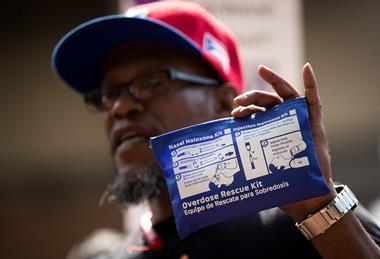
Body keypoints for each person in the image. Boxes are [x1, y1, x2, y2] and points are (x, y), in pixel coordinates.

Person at [52, 1, 380, 258]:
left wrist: (319, 212)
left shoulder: (303, 223)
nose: (122, 107)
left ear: (224, 102)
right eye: (110, 94)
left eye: (151, 82)